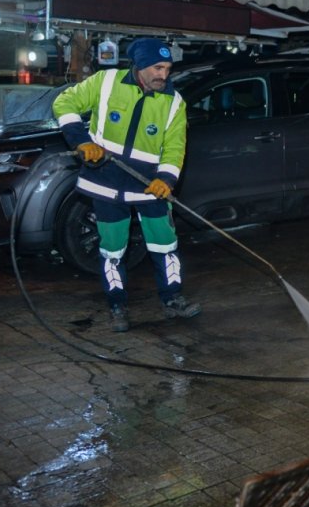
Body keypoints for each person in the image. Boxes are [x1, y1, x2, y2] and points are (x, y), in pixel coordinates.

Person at [51, 38, 201, 332]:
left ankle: (172, 300)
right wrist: (81, 141)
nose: (164, 75)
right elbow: (64, 102)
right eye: (158, 68)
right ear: (140, 66)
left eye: (168, 68)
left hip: (149, 187)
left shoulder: (174, 102)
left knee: (165, 245)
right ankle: (117, 305)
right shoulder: (105, 82)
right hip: (106, 184)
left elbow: (175, 147)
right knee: (113, 250)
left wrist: (166, 179)